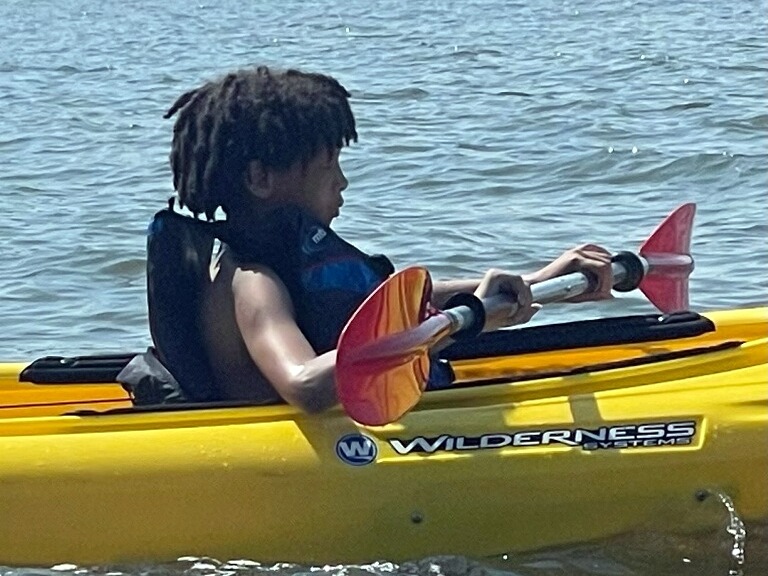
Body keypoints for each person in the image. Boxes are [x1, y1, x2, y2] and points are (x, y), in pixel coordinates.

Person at [152, 65, 613, 412]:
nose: (342, 182)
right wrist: (455, 323)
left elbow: (386, 301)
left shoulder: (275, 261)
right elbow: (307, 385)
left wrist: (536, 280)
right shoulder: (252, 281)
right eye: (329, 163)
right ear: (260, 178)